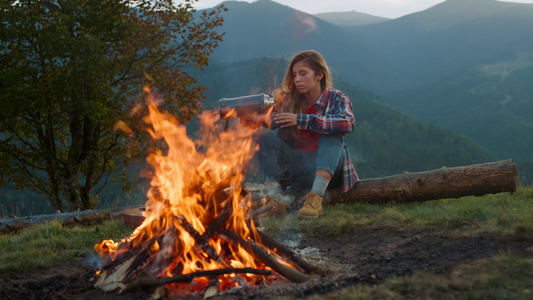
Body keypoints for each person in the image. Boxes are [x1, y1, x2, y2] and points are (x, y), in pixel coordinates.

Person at [247, 50, 359, 218]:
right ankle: (275, 199)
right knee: (264, 138)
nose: (297, 79)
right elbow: (272, 120)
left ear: (319, 75)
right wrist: (254, 120)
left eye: (303, 73)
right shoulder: (289, 101)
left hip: (329, 171)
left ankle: (316, 197)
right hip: (297, 171)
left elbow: (347, 123)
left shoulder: (337, 98)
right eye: (294, 75)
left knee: (331, 133)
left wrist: (301, 119)